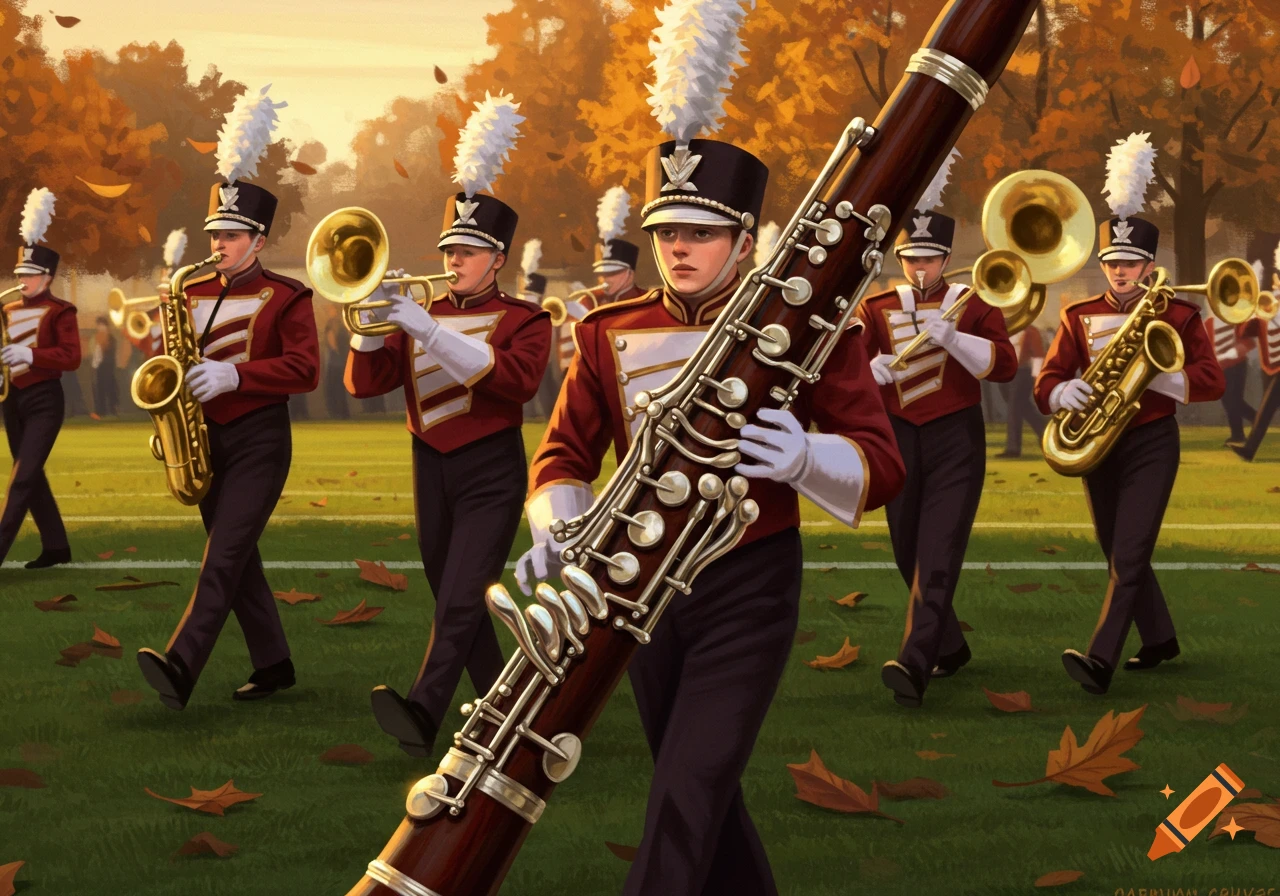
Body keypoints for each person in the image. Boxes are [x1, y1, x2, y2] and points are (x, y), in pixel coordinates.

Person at [515, 11, 904, 890]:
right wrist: (559, 521)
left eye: (699, 233)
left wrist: (807, 456)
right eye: (665, 232)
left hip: (748, 582)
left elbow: (885, 462)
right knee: (701, 793)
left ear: (742, 238)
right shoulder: (611, 329)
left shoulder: (802, 323)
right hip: (633, 588)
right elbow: (564, 456)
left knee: (687, 790)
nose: (677, 249)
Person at [345, 93, 551, 757]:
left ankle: (423, 713)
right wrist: (372, 327)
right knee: (455, 597)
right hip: (426, 463)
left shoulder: (527, 319)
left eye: (469, 250)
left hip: (489, 464)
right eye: (449, 248)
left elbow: (513, 383)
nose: (455, 259)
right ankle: (512, 707)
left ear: (498, 259)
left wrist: (423, 325)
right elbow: (363, 385)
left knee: (460, 600)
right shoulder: (418, 311)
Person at [137, 86, 319, 709]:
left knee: (222, 558)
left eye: (232, 235)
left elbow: (305, 368)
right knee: (238, 561)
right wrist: (169, 414)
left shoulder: (289, 296)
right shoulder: (187, 292)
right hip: (201, 441)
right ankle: (274, 664)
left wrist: (237, 376)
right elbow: (169, 364)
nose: (217, 244)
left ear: (259, 240)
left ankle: (181, 664)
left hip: (259, 439)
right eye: (214, 232)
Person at [1034, 133, 1224, 695]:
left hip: (1151, 439)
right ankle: (1160, 638)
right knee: (1115, 545)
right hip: (1099, 442)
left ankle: (1100, 658)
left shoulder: (1182, 314)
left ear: (1148, 267)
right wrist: (1059, 393)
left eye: (1131, 263)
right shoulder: (1077, 314)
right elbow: (1047, 376)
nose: (1120, 273)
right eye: (1113, 262)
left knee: (1130, 550)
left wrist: (1167, 377)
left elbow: (1212, 379)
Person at [857, 149, 1018, 708]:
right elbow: (842, 365)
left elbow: (1006, 365)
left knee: (938, 549)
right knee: (907, 548)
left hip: (955, 435)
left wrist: (957, 340)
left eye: (928, 257)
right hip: (899, 434)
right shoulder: (875, 308)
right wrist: (868, 369)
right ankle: (950, 647)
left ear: (947, 256)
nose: (919, 267)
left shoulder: (972, 306)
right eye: (910, 257)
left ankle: (914, 661)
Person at [0, 188, 80, 570]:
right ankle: (56, 547)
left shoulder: (62, 311)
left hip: (45, 398)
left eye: (30, 274)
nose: (23, 280)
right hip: (11, 399)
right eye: (20, 274)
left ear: (47, 277)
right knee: (30, 477)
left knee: (21, 479)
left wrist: (30, 355)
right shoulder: (7, 309)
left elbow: (72, 357)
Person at [1233, 251, 1280, 461]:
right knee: (1267, 410)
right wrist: (1250, 313)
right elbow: (1244, 334)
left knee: (1265, 409)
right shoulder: (1262, 306)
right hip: (1268, 366)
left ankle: (1249, 450)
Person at [1205, 309, 1255, 447]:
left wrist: (1232, 353)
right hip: (1220, 368)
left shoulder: (1236, 319)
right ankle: (1239, 434)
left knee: (1234, 401)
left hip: (1237, 364)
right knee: (1228, 402)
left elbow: (1249, 343)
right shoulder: (1208, 323)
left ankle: (1254, 422)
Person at [996, 323, 1046, 457]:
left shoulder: (1031, 331)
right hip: (1006, 374)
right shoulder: (1003, 329)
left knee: (1014, 410)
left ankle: (1013, 448)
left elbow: (1038, 354)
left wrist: (1037, 378)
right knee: (1023, 407)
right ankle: (1044, 432)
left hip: (1022, 373)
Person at [90, 315, 119, 417]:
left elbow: (110, 353)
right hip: (98, 367)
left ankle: (113, 409)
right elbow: (94, 352)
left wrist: (103, 342)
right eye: (99, 325)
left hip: (108, 368)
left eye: (102, 325)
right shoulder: (96, 337)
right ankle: (100, 411)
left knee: (110, 389)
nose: (100, 327)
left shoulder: (111, 338)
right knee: (99, 389)